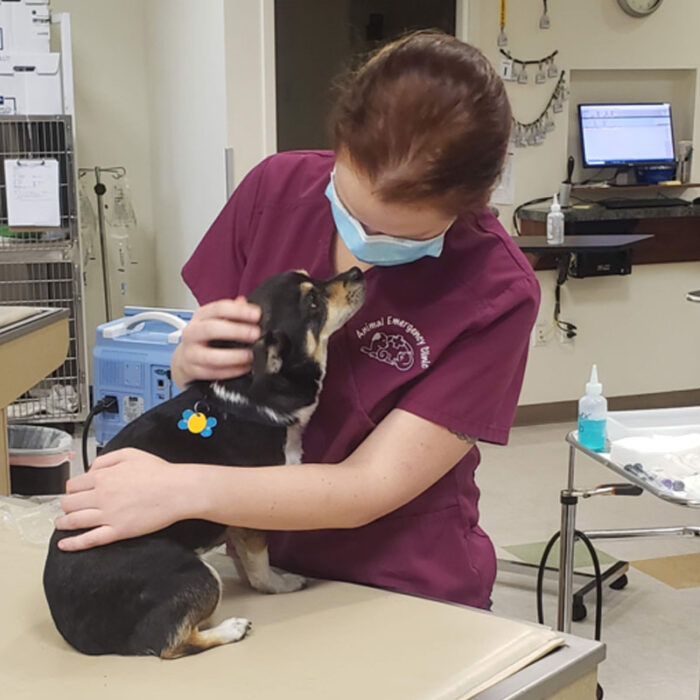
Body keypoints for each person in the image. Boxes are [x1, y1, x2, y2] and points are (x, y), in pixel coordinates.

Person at [56, 31, 540, 610]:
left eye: (395, 236)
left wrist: (180, 489)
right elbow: (221, 380)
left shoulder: (497, 291)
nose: (365, 250)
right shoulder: (276, 189)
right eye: (352, 212)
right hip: (256, 559)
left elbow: (368, 486)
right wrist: (187, 360)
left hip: (400, 581)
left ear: (473, 204)